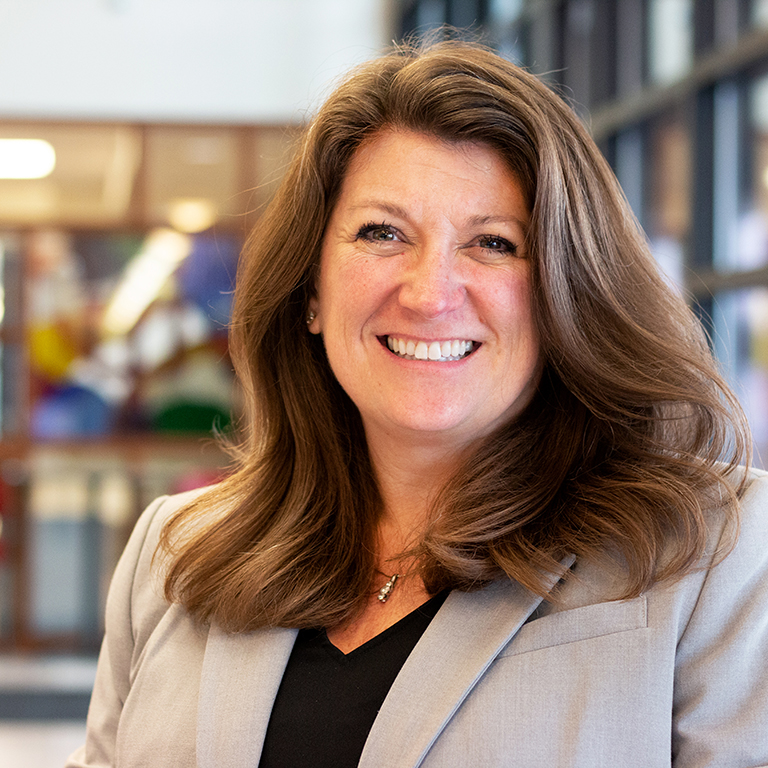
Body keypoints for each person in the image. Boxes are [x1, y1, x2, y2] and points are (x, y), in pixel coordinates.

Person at [67, 39, 768, 768]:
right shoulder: (174, 554)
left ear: (567, 292)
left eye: (494, 243)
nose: (430, 293)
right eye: (383, 233)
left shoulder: (716, 553)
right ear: (311, 289)